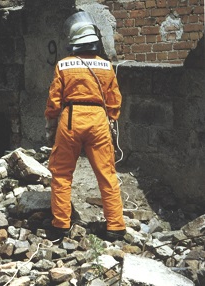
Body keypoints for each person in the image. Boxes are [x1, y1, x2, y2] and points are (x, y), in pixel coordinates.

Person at [44, 11, 126, 241]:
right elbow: (115, 100)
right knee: (106, 173)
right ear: (94, 39)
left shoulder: (63, 65)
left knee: (61, 173)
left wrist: (51, 123)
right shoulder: (107, 66)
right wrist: (111, 118)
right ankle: (116, 226)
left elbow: (54, 100)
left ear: (73, 41)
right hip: (99, 119)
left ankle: (60, 225)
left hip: (71, 118)